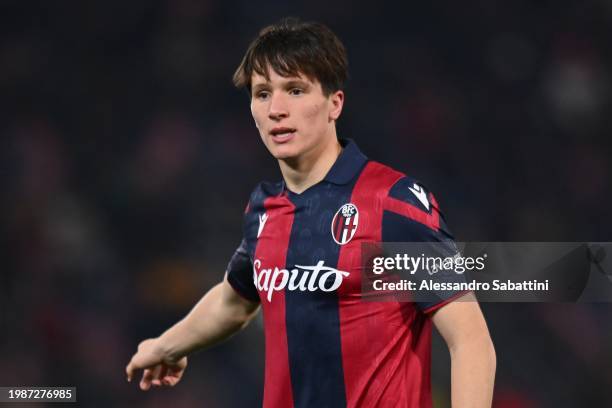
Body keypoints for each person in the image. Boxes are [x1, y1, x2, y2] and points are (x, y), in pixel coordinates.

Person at [125, 18, 496, 407]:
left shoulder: (392, 201)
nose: (277, 110)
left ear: (334, 103)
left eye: (295, 90)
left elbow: (471, 342)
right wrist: (166, 345)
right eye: (263, 93)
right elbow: (233, 303)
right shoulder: (263, 209)